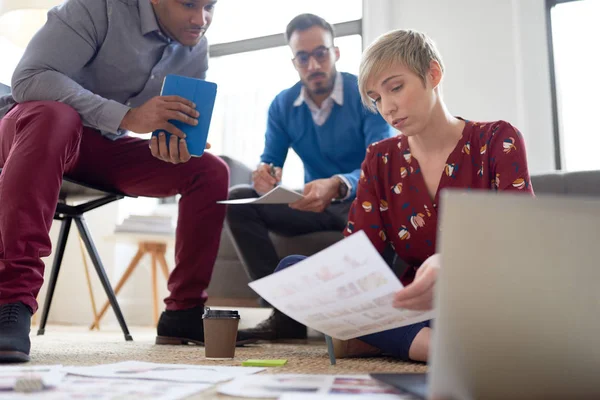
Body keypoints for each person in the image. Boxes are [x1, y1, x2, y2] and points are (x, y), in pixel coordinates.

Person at [0, 0, 255, 364]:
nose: (201, 20)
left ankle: (183, 311)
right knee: (59, 117)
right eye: (189, 5)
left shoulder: (195, 47)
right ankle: (11, 299)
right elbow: (30, 78)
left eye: (209, 6)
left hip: (104, 148)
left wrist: (174, 143)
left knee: (210, 169)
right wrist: (127, 116)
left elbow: (166, 126)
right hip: (33, 130)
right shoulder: (95, 8)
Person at [269, 28, 535, 361]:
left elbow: (521, 239)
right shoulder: (380, 158)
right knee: (291, 269)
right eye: (376, 98)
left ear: (433, 74)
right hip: (415, 306)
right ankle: (442, 348)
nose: (388, 108)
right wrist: (327, 280)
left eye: (395, 88)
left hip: (486, 298)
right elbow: (362, 255)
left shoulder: (497, 140)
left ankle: (382, 340)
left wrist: (453, 263)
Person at [227, 13, 392, 342]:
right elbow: (270, 162)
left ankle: (368, 322)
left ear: (336, 53)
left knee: (383, 202)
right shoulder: (283, 105)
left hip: (362, 203)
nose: (314, 64)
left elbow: (381, 165)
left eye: (321, 53)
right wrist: (266, 177)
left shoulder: (366, 96)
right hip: (312, 206)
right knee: (239, 199)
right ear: (294, 62)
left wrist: (339, 184)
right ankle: (283, 315)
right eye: (303, 57)